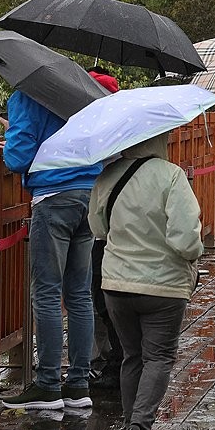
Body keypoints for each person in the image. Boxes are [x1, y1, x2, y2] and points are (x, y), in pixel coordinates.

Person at [88, 132, 204, 430]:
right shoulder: (171, 175)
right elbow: (185, 239)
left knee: (132, 356)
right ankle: (139, 427)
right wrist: (194, 254)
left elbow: (97, 227)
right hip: (163, 288)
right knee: (159, 357)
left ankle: (131, 426)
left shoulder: (108, 175)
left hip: (117, 285)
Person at [0, 91, 100, 411]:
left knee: (46, 292)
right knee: (80, 294)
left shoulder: (26, 96)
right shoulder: (81, 95)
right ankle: (79, 383)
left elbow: (17, 158)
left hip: (54, 196)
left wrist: (11, 134)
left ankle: (47, 384)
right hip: (88, 195)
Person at [86, 67, 123, 389]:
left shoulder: (93, 127)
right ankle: (113, 355)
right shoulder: (123, 124)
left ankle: (109, 357)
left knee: (97, 293)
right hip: (114, 222)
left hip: (102, 223)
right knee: (100, 293)